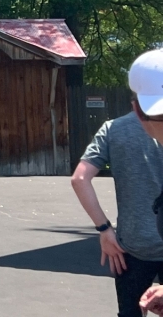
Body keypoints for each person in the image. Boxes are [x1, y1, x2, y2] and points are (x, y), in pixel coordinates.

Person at [72, 48, 163, 317]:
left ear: (135, 106)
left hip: (131, 245)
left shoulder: (113, 129)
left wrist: (104, 230)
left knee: (131, 313)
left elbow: (79, 179)